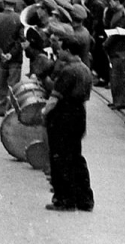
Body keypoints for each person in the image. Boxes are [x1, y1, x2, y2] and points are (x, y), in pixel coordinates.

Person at [43, 35, 94, 212]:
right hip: (79, 114)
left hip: (63, 115)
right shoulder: (85, 69)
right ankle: (84, 198)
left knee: (60, 157)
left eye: (62, 48)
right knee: (75, 156)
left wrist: (44, 113)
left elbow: (54, 98)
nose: (59, 51)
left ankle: (65, 198)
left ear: (69, 51)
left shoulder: (68, 71)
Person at [0, 0, 24, 116]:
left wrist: (0, 53)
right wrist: (11, 54)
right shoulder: (19, 19)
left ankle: (0, 107)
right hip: (15, 58)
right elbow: (21, 40)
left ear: (3, 3)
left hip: (1, 58)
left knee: (1, 84)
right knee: (13, 86)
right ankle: (11, 110)